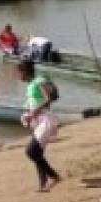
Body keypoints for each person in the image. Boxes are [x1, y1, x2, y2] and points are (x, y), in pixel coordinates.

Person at [18, 60, 61, 191]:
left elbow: (48, 99)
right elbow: (33, 103)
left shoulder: (37, 82)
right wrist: (27, 115)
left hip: (46, 120)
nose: (19, 77)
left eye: (19, 73)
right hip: (39, 122)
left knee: (31, 151)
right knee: (37, 153)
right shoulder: (31, 85)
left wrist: (33, 113)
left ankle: (54, 176)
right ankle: (43, 184)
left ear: (24, 72)